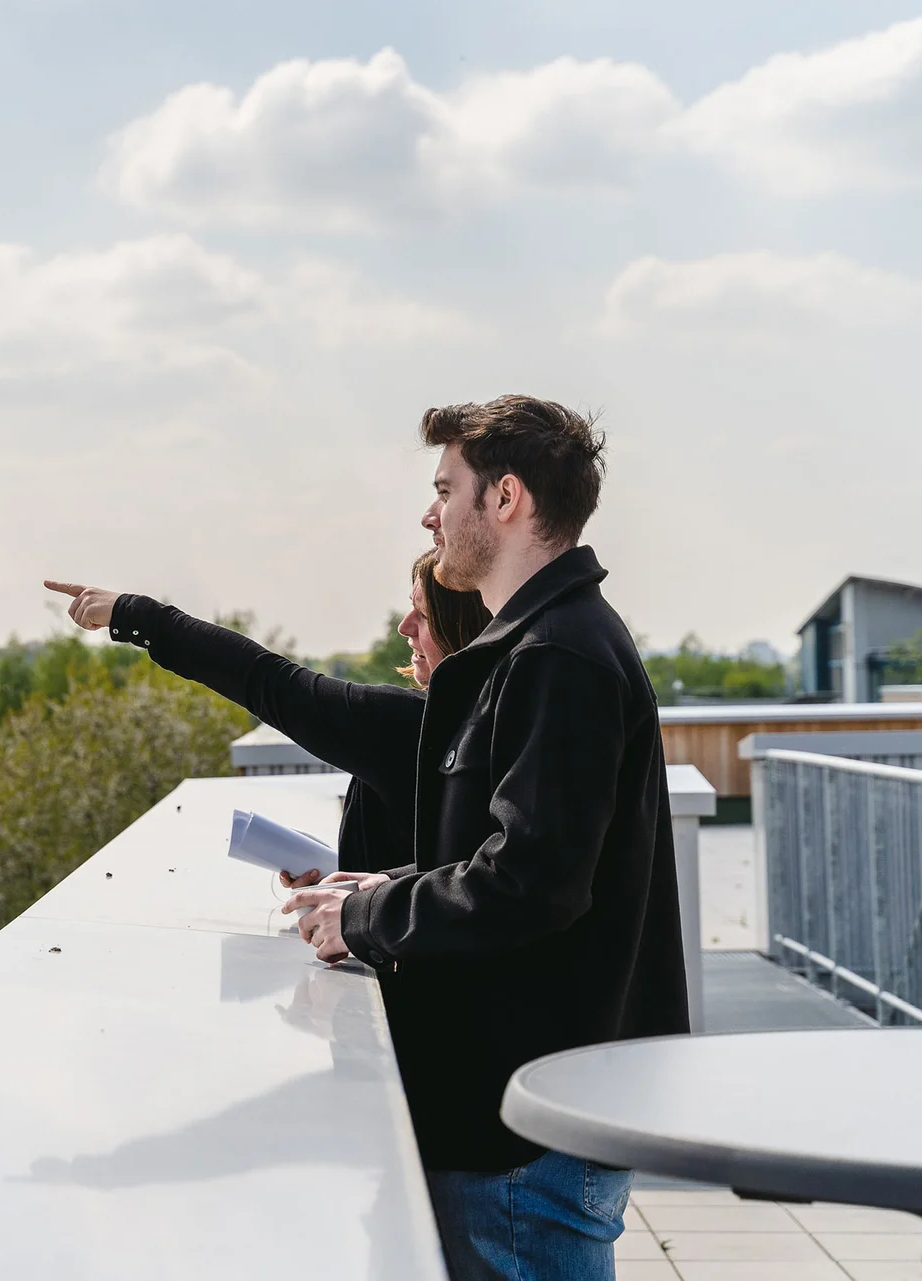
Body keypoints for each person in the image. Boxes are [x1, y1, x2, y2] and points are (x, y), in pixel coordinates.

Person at [46, 395, 686, 1281]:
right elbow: (519, 867)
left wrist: (370, 913)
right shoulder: (542, 649)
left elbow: (531, 883)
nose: (431, 513)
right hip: (520, 1119)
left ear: (506, 500)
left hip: (521, 1138)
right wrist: (379, 888)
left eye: (444, 488)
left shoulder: (559, 658)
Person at [336, 549, 493, 877]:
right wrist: (333, 877)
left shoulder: (410, 721)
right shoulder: (478, 724)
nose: (404, 627)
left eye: (423, 614)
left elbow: (278, 686)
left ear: (462, 625)